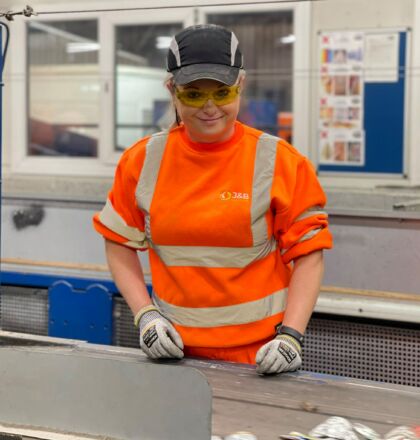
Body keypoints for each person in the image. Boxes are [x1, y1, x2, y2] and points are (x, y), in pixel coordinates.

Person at [93, 24, 333, 375]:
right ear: (171, 91)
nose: (209, 108)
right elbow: (117, 241)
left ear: (241, 86)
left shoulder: (280, 161)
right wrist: (146, 316)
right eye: (193, 95)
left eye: (221, 94)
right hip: (172, 353)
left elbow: (310, 254)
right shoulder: (142, 161)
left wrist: (291, 337)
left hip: (260, 356)